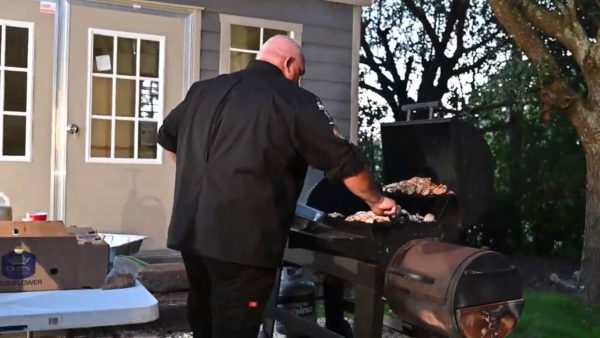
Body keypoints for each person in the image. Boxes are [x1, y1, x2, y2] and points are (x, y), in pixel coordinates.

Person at [157, 35, 397, 338]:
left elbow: (168, 140)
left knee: (203, 315)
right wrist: (377, 201)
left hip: (191, 232)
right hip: (244, 243)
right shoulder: (294, 101)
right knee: (235, 326)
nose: (298, 80)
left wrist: (199, 177)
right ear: (289, 64)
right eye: (300, 73)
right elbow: (346, 160)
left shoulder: (203, 91)